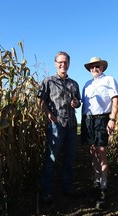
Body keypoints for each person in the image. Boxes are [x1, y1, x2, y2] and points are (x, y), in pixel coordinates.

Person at [37, 51, 81, 204]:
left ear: (69, 64)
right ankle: (47, 191)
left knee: (69, 158)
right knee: (51, 159)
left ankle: (67, 188)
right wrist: (49, 115)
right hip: (56, 125)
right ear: (55, 64)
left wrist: (76, 104)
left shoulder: (74, 84)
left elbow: (78, 102)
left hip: (72, 125)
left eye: (65, 62)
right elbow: (41, 101)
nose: (63, 65)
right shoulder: (48, 81)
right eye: (60, 62)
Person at [81, 57, 118, 209]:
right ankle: (96, 182)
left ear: (102, 67)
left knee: (101, 151)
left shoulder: (110, 80)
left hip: (102, 118)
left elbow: (115, 101)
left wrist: (112, 119)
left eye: (97, 66)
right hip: (87, 119)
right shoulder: (87, 84)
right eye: (92, 67)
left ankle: (104, 187)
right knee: (92, 151)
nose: (94, 69)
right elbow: (83, 104)